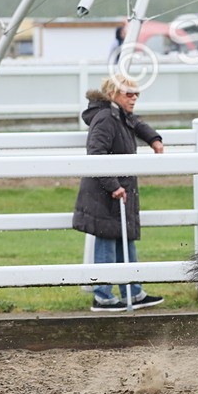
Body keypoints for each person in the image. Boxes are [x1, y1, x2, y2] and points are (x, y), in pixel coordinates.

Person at [73, 75, 165, 312]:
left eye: (137, 94)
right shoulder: (106, 118)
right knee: (106, 241)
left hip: (116, 192)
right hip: (106, 194)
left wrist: (154, 139)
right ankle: (103, 295)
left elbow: (138, 124)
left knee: (125, 242)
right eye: (129, 94)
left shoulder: (119, 115)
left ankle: (132, 291)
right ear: (113, 94)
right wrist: (113, 185)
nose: (134, 98)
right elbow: (96, 154)